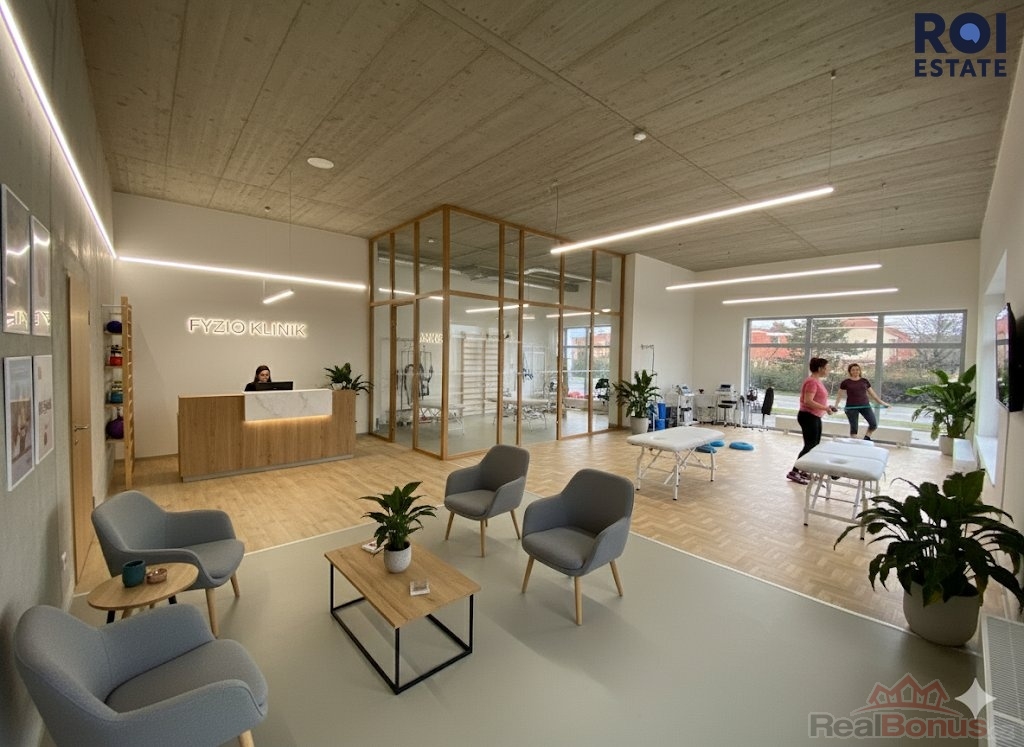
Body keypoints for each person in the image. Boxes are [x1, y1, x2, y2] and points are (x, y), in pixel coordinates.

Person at [787, 357, 837, 484]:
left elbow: (817, 400)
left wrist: (828, 407)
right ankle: (794, 472)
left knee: (814, 445)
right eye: (827, 368)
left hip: (814, 416)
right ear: (820, 369)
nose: (828, 370)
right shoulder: (812, 382)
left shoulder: (816, 381)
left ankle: (803, 469)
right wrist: (825, 408)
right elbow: (808, 401)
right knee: (810, 445)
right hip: (808, 416)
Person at [834, 363, 889, 440]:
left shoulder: (864, 381)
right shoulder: (845, 382)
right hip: (851, 407)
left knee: (873, 424)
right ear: (850, 371)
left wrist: (883, 403)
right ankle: (854, 443)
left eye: (857, 369)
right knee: (854, 428)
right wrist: (836, 405)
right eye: (853, 370)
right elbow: (839, 395)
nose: (855, 371)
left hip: (865, 406)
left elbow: (874, 395)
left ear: (860, 371)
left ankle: (866, 438)